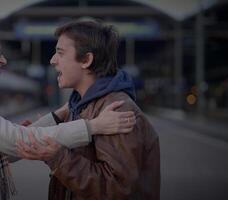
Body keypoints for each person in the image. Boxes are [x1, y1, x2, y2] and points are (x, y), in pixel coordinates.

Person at [0, 20, 136, 200]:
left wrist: (58, 115)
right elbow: (15, 141)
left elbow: (5, 149)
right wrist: (93, 126)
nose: (3, 59)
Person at [17, 20, 160, 200]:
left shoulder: (117, 110)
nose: (53, 60)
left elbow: (117, 189)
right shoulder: (79, 106)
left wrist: (58, 158)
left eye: (60, 53)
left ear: (86, 60)